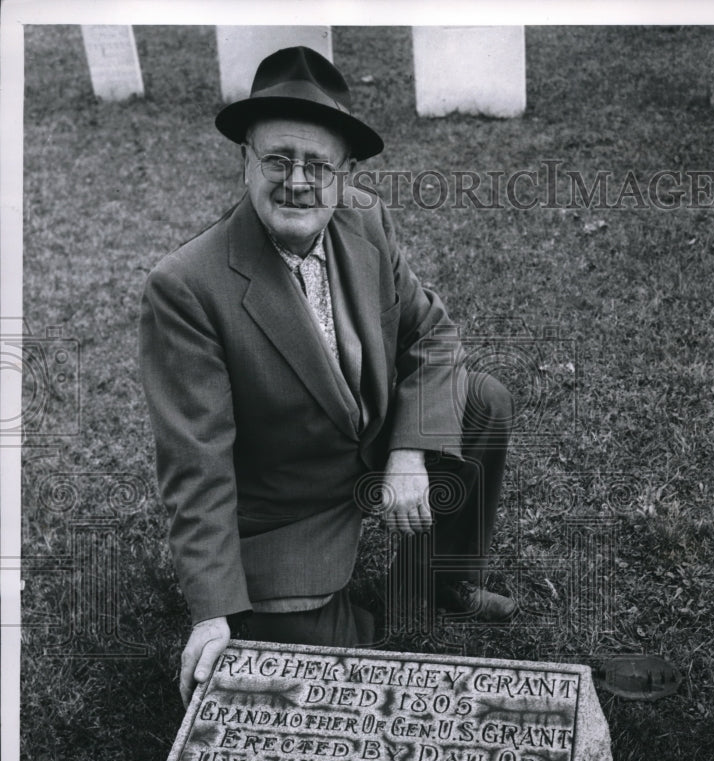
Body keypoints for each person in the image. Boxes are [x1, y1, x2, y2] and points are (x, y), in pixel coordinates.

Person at [140, 46, 516, 707]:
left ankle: (440, 578)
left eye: (319, 165)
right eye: (278, 159)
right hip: (288, 507)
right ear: (245, 162)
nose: (298, 181)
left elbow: (433, 337)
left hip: (373, 447)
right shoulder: (186, 287)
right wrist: (212, 610)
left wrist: (407, 454)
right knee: (317, 678)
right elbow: (194, 465)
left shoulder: (364, 220)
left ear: (343, 176)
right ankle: (337, 616)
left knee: (483, 400)